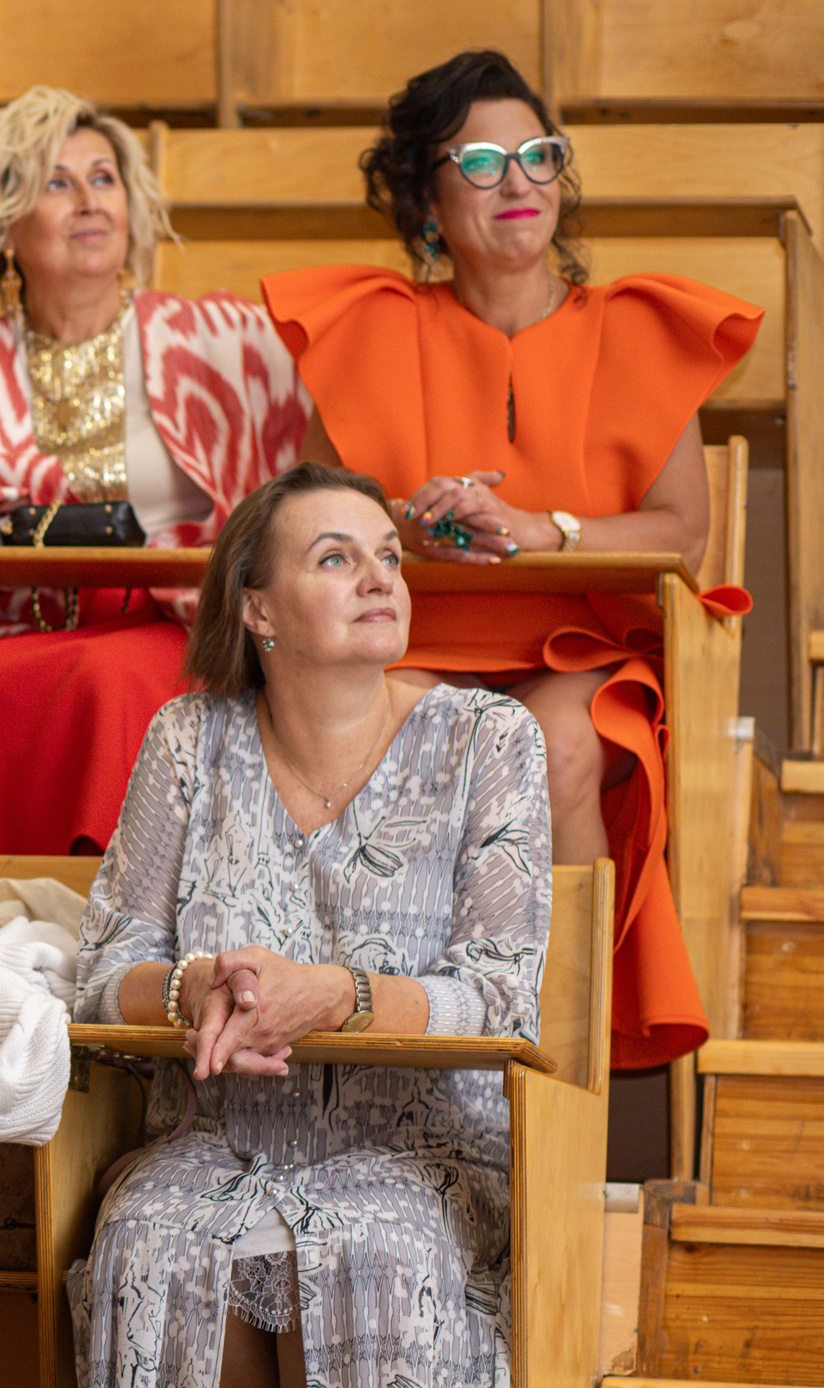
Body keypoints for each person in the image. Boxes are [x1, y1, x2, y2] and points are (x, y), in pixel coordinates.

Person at [68, 465, 548, 1388]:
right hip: (220, 1130)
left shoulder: (489, 737)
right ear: (258, 608)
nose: (378, 576)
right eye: (335, 557)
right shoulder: (188, 741)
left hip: (419, 1147)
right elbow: (102, 963)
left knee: (370, 1240)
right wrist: (196, 987)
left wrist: (333, 996)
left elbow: (501, 994)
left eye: (386, 553)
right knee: (147, 1230)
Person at [262, 50, 759, 1071]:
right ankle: (373, 1053)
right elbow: (312, 518)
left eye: (538, 155)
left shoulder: (633, 326)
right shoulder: (372, 330)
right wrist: (401, 523)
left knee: (545, 748)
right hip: (417, 640)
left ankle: (552, 1061)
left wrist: (542, 531)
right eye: (481, 161)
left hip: (584, 644)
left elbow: (681, 530)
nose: (519, 181)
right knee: (344, 744)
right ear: (427, 200)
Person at [0, 86, 307, 856]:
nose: (88, 201)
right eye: (57, 183)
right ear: (6, 226)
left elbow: (341, 402)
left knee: (104, 679)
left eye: (104, 179)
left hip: (176, 622)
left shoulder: (221, 340)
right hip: (17, 623)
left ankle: (110, 940)